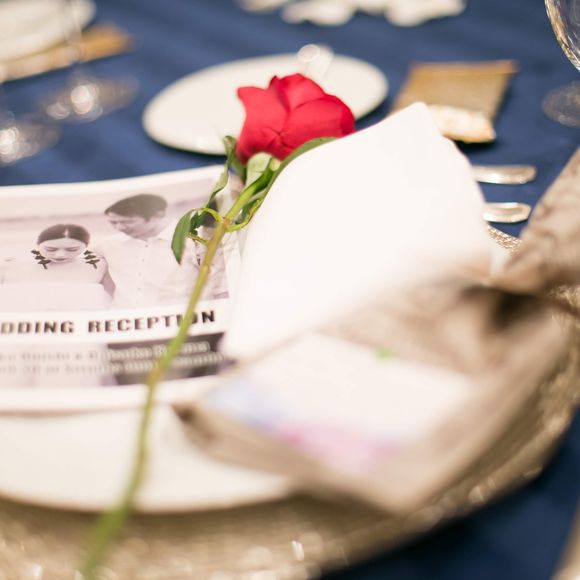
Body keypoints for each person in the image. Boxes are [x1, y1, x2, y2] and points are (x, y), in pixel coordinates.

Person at [97, 193, 227, 309]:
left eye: (128, 222)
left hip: (181, 319)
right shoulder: (107, 244)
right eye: (113, 223)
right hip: (124, 321)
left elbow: (221, 287)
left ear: (157, 216)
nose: (119, 227)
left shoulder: (196, 239)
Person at [0, 223, 112, 311]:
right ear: (38, 245)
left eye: (72, 249)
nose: (60, 255)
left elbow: (114, 300)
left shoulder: (99, 266)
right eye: (50, 249)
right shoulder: (10, 266)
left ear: (86, 246)